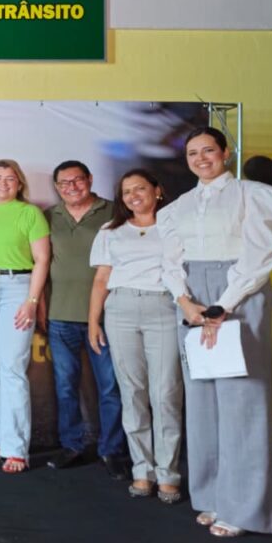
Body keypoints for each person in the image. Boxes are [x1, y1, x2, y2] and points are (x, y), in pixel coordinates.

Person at [158, 127, 272, 536]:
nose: (201, 159)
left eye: (208, 150)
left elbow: (260, 255)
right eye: (192, 153)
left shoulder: (254, 195)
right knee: (202, 400)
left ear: (225, 152)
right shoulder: (178, 207)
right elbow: (170, 262)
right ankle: (213, 496)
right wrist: (185, 302)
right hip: (192, 297)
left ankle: (243, 509)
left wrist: (222, 306)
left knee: (242, 400)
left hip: (238, 292)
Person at [88, 169, 183, 502]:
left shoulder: (174, 226)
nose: (133, 196)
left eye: (140, 188)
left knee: (166, 393)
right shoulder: (110, 231)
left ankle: (168, 473)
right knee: (132, 393)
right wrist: (93, 321)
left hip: (163, 307)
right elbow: (101, 279)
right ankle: (142, 471)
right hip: (120, 309)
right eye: (126, 191)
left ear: (157, 191)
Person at [45, 160, 129, 478]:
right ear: (57, 187)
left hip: (105, 316)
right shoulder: (49, 216)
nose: (72, 187)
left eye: (77, 180)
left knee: (110, 388)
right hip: (60, 315)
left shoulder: (114, 211)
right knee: (65, 387)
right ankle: (72, 446)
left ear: (90, 179)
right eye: (64, 183)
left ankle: (112, 450)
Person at [0, 160, 50, 473]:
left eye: (10, 178)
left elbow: (42, 259)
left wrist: (32, 300)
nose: (3, 183)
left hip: (18, 287)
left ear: (19, 184)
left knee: (13, 367)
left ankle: (16, 449)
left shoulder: (30, 213)